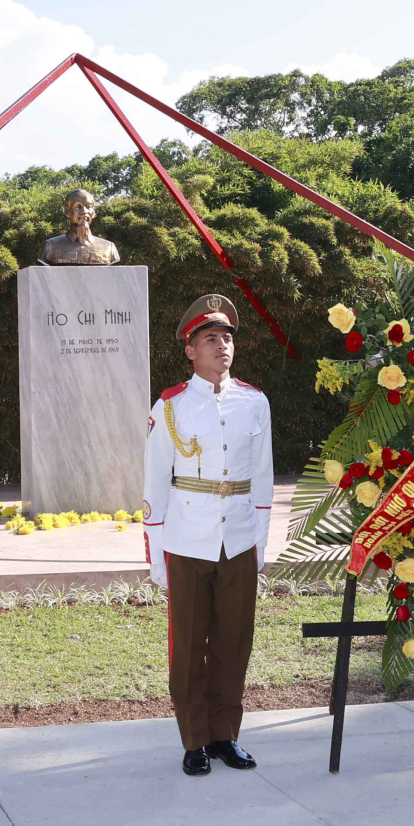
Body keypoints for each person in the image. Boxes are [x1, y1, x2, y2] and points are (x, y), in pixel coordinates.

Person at [141, 293, 275, 776]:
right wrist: (157, 555)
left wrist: (259, 543)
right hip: (187, 538)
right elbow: (155, 481)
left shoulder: (254, 402)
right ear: (190, 350)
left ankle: (225, 736)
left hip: (238, 538)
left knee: (233, 641)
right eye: (210, 339)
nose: (222, 347)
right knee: (189, 643)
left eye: (227, 338)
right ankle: (194, 740)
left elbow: (262, 479)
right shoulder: (170, 405)